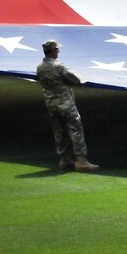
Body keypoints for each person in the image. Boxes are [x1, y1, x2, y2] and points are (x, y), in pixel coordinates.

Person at [35, 40, 99, 171]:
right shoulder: (58, 66)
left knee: (59, 131)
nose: (58, 51)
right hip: (65, 103)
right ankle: (81, 161)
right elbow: (75, 79)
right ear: (53, 51)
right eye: (57, 49)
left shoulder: (39, 67)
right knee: (75, 130)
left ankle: (64, 159)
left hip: (51, 103)